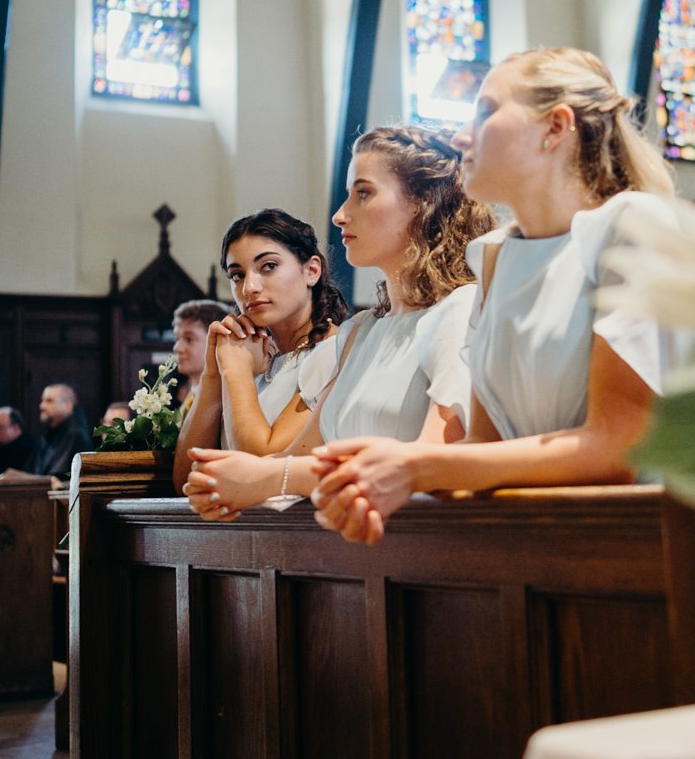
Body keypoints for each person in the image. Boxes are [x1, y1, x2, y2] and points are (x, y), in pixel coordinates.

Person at [310, 48, 682, 545]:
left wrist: (417, 466)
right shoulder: (493, 258)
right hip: (520, 542)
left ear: (555, 127)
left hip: (631, 541)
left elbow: (615, 449)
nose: (462, 136)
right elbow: (484, 445)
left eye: (485, 112)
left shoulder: (630, 226)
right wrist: (369, 482)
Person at [181, 126, 496, 519]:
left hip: (419, 541)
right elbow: (302, 455)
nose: (340, 214)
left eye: (362, 193)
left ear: (421, 202)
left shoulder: (461, 311)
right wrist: (235, 479)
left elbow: (433, 460)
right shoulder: (359, 332)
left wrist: (265, 478)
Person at [171, 210, 350, 490]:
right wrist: (213, 375)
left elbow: (260, 468)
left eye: (268, 266)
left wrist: (237, 371)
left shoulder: (337, 350)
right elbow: (185, 479)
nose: (249, 288)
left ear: (312, 270)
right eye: (237, 275)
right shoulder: (249, 355)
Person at [170, 298, 235, 415]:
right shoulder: (190, 395)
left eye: (189, 339)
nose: (177, 348)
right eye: (177, 338)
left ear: (217, 342)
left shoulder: (226, 402)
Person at [27, 384, 93, 486]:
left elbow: (61, 476)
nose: (42, 406)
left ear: (68, 406)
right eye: (42, 401)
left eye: (49, 401)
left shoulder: (75, 434)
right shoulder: (49, 435)